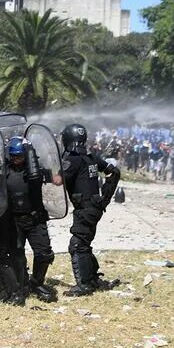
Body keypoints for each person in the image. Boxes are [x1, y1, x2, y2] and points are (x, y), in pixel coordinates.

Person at [60, 123, 121, 297]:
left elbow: (58, 180)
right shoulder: (91, 157)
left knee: (77, 245)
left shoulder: (72, 159)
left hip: (85, 209)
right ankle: (92, 278)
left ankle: (85, 285)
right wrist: (105, 199)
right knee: (84, 243)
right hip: (94, 207)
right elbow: (114, 172)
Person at [5, 136, 58, 303]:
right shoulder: (4, 171)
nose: (16, 159)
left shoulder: (34, 172)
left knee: (44, 253)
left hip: (35, 217)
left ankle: (37, 282)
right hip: (14, 219)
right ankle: (20, 286)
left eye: (20, 156)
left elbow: (54, 179)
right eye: (13, 156)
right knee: (16, 254)